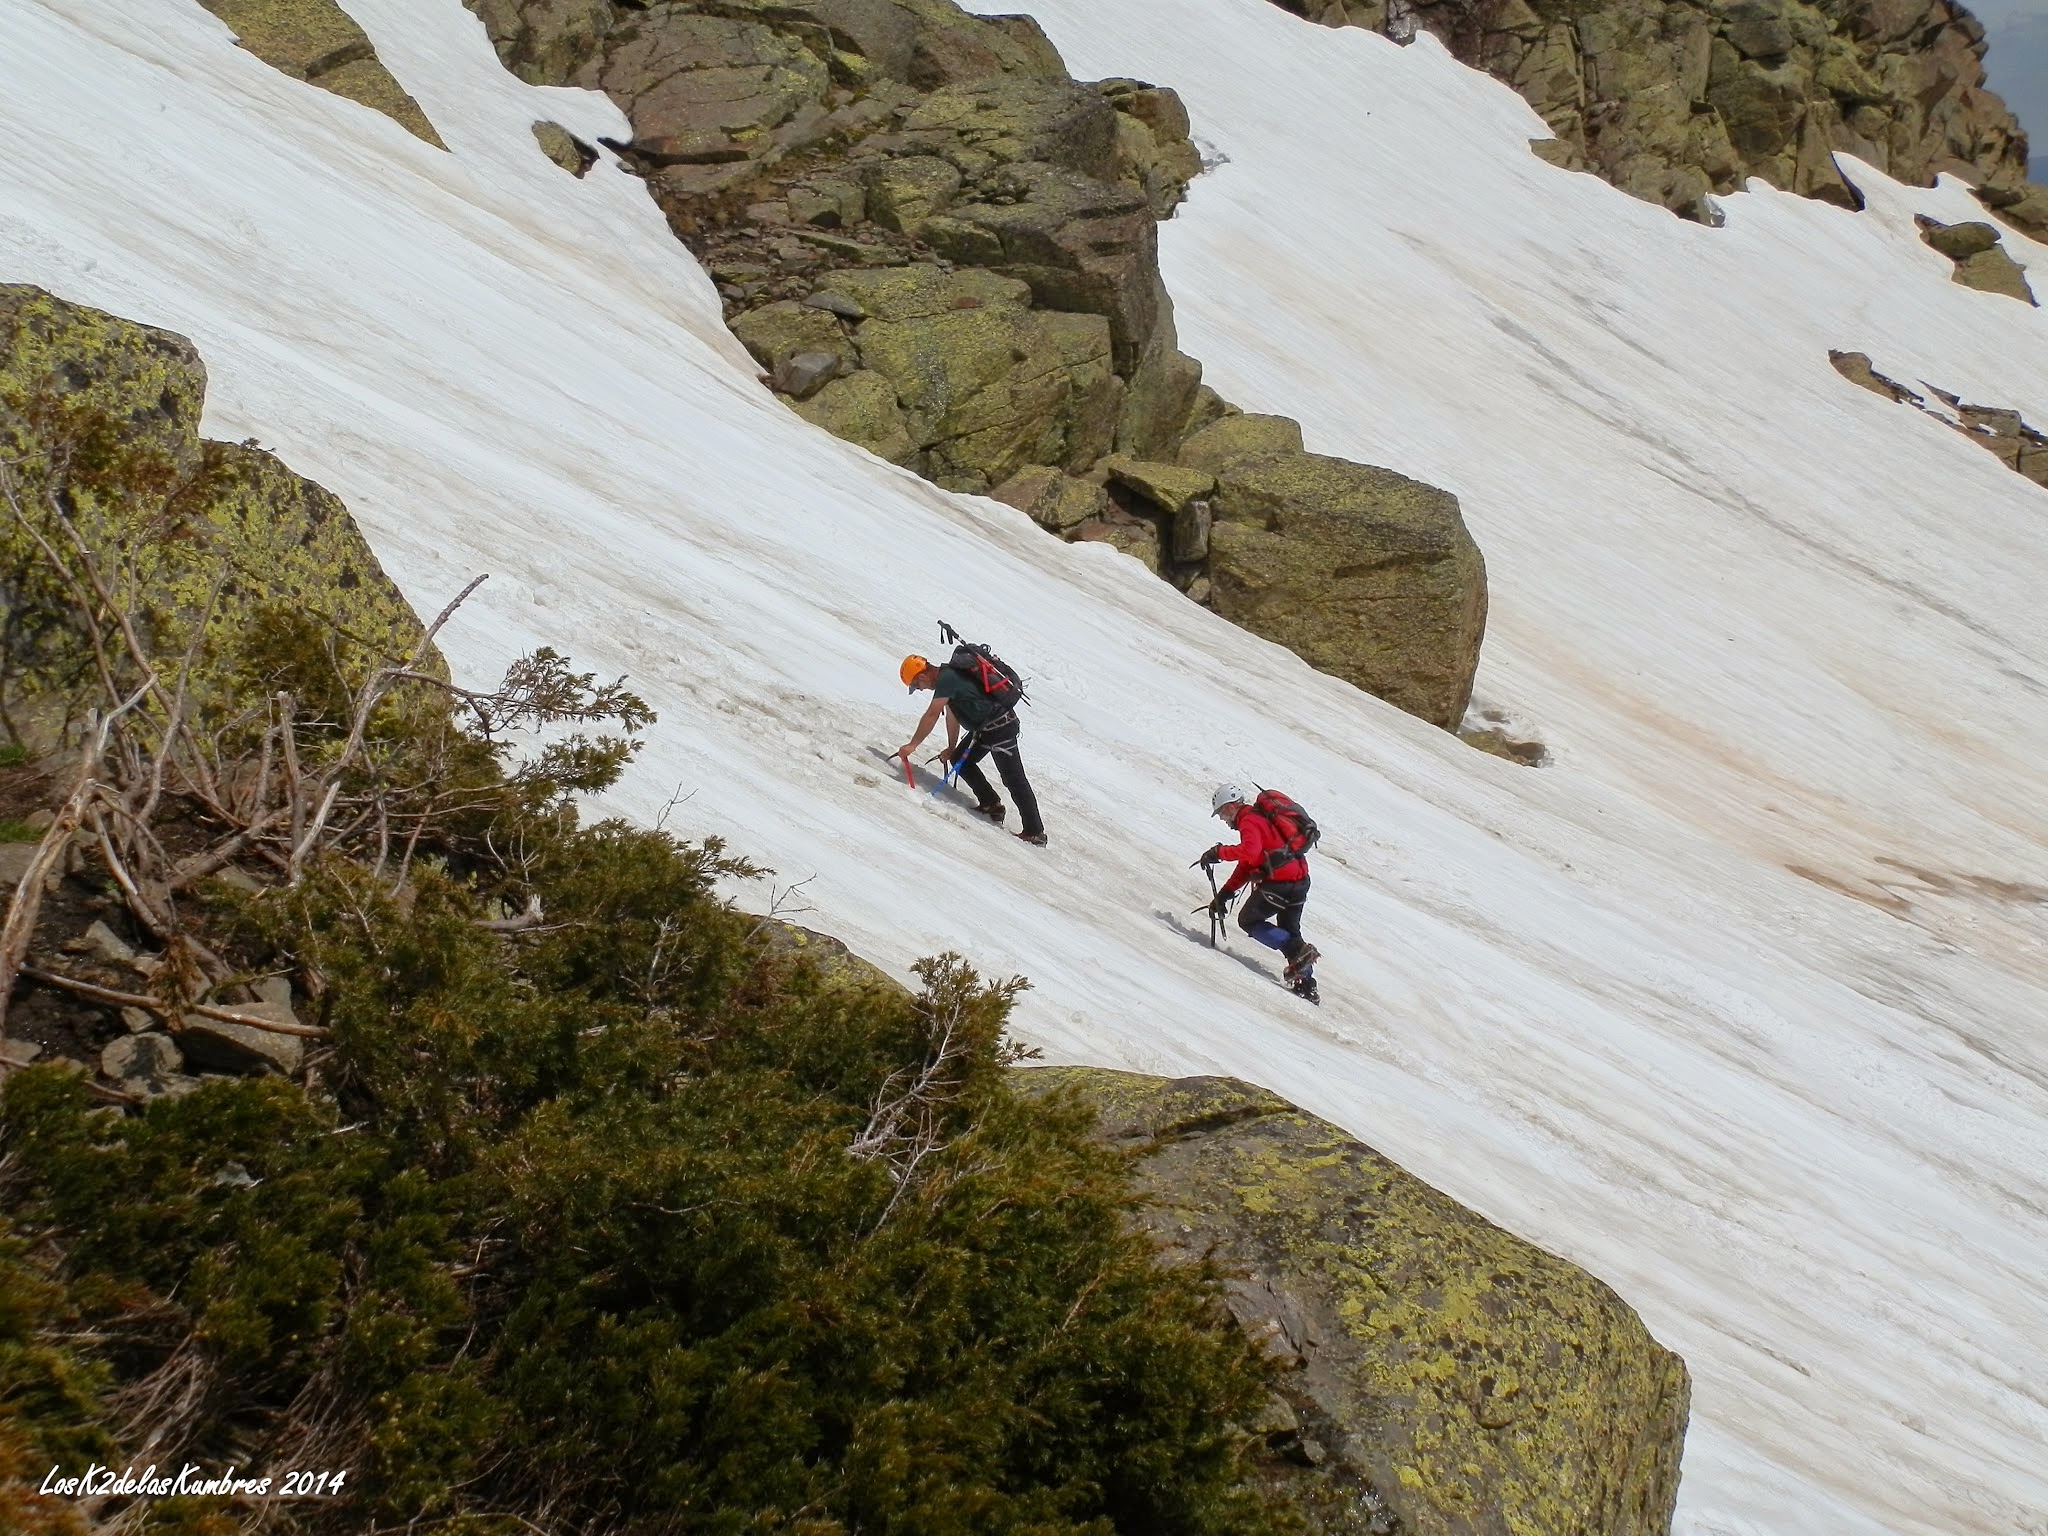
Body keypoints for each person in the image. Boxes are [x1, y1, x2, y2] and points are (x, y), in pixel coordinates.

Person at [897, 652, 1047, 846]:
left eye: (917, 685)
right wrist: (952, 747)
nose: (920, 689)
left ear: (923, 676)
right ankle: (991, 805)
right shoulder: (947, 678)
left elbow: (932, 715)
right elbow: (952, 716)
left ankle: (1035, 832)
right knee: (961, 759)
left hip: (999, 727)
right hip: (986, 728)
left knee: (1014, 779)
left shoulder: (947, 679)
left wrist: (912, 745)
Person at [1199, 783, 1319, 1000]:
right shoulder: (1261, 818)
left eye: (1222, 814)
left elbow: (1248, 851)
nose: (1223, 820)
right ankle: (1307, 984)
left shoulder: (1249, 821)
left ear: (1229, 808)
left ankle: (1296, 949)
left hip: (1280, 884)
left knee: (1248, 920)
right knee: (1290, 930)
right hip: (1299, 881)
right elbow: (1250, 862)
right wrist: (1225, 893)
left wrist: (1219, 852)